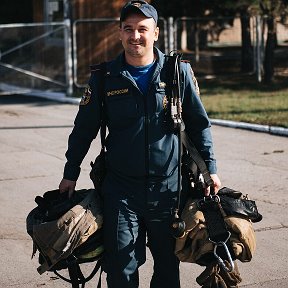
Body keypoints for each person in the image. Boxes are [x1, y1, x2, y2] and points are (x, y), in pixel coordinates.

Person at [59, 1, 221, 287]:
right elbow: (84, 129)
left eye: (142, 29)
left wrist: (210, 169)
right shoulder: (104, 77)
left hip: (169, 190)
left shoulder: (176, 72)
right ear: (120, 33)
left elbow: (199, 125)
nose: (136, 36)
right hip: (122, 191)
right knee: (121, 270)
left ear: (156, 33)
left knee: (168, 271)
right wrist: (70, 172)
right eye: (129, 29)